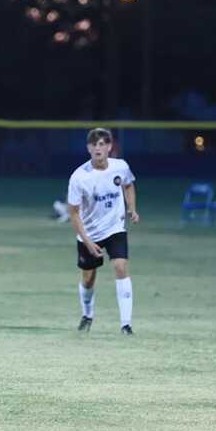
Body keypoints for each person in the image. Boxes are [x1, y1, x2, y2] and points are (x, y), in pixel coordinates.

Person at [67, 128, 140, 335]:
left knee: (120, 267)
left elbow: (128, 185)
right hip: (89, 233)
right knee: (89, 278)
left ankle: (126, 324)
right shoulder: (79, 177)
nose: (98, 148)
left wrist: (131, 208)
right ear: (88, 148)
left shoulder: (120, 167)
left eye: (102, 144)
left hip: (115, 228)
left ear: (109, 147)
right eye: (94, 145)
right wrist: (87, 241)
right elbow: (73, 212)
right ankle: (87, 315)